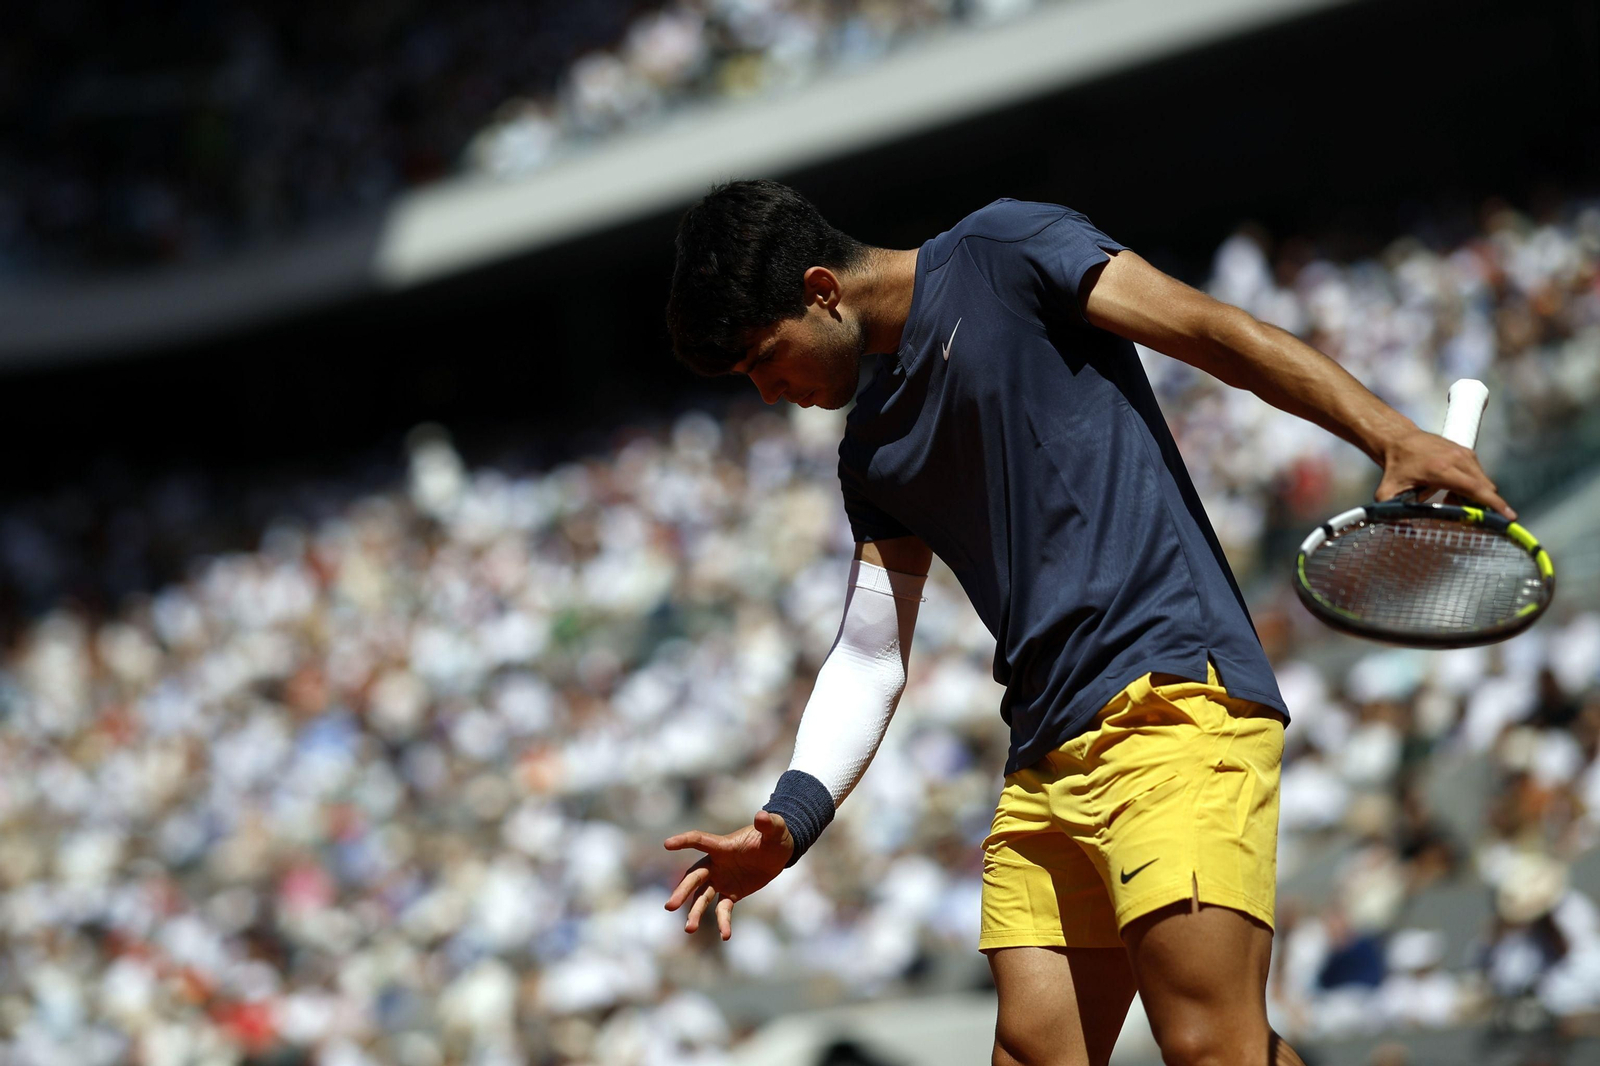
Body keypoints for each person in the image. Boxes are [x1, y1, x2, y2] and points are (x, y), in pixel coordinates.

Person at [658, 179, 1510, 1066]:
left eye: (765, 358)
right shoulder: (870, 451)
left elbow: (1212, 332)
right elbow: (871, 654)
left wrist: (1389, 436)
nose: (768, 392)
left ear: (820, 290)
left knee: (1207, 1046)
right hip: (1042, 759)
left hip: (1171, 700)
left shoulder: (1005, 248)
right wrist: (790, 819)